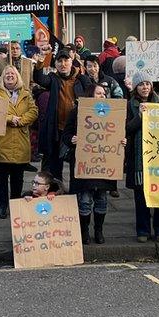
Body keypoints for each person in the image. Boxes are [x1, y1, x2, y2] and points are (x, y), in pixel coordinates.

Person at [63, 84, 122, 244]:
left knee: (102, 199)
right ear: (90, 95)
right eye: (99, 93)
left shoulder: (112, 113)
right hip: (85, 164)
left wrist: (122, 141)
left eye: (104, 94)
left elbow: (119, 133)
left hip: (105, 164)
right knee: (85, 200)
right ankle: (84, 231)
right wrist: (71, 139)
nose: (102, 96)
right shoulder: (77, 111)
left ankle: (98, 230)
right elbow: (66, 133)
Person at [34, 50, 93, 179]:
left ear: (71, 62)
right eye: (59, 61)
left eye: (66, 60)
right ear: (55, 64)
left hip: (76, 130)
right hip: (57, 128)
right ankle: (56, 191)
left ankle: (75, 193)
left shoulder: (81, 79)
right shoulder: (53, 78)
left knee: (76, 163)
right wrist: (40, 62)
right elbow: (39, 79)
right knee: (54, 163)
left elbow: (93, 95)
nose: (63, 64)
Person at [0, 66, 38, 219]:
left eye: (12, 74)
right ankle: (2, 206)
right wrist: (11, 119)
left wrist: (21, 121)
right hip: (2, 141)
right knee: (1, 178)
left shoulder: (26, 93)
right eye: (7, 74)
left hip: (20, 141)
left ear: (17, 77)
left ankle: (16, 204)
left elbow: (33, 111)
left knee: (18, 177)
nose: (10, 76)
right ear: (2, 78)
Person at [125, 72, 159, 243]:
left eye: (148, 84)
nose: (145, 87)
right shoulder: (130, 105)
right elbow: (126, 128)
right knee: (141, 197)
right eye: (141, 84)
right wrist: (139, 118)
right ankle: (143, 230)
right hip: (139, 161)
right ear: (136, 87)